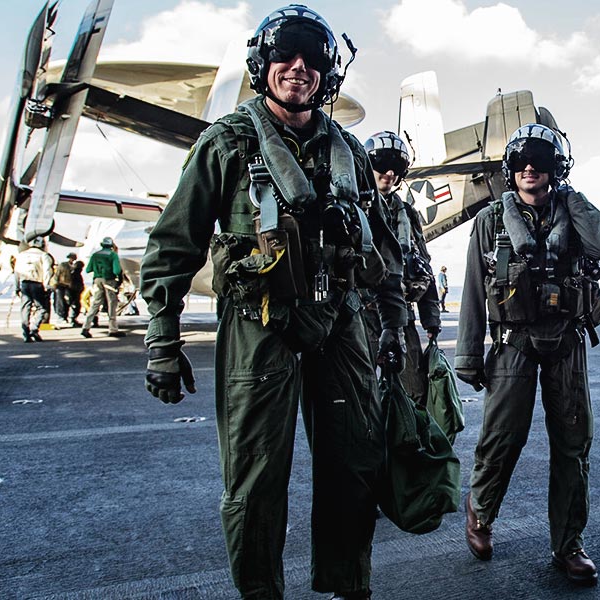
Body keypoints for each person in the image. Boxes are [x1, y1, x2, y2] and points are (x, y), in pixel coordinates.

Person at [138, 6, 407, 598]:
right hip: (261, 326)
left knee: (356, 462)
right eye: (286, 54)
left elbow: (383, 251)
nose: (298, 67)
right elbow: (172, 247)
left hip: (340, 323)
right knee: (256, 477)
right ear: (263, 65)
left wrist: (394, 326)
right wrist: (163, 339)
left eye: (313, 56)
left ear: (329, 73)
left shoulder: (351, 154)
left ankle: (349, 582)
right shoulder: (228, 144)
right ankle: (261, 593)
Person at [455, 123, 600, 584]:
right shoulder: (490, 221)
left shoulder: (574, 212)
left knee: (573, 444)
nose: (530, 167)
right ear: (511, 167)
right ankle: (481, 512)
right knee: (503, 437)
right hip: (513, 343)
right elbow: (471, 290)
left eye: (542, 160)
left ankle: (568, 545)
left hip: (566, 340)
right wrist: (468, 354)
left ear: (555, 168)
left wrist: (570, 193)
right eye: (523, 159)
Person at [363, 130, 441, 406]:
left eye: (395, 168)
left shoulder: (407, 214)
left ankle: (407, 449)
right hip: (362, 317)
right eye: (381, 164)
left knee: (413, 395)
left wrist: (431, 320)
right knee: (362, 395)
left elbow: (423, 263)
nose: (388, 174)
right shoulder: (353, 209)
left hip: (402, 315)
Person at [14, 238, 54, 342]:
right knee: (41, 308)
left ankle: (25, 332)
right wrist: (46, 285)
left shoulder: (21, 255)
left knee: (25, 308)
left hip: (24, 284)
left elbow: (16, 272)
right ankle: (34, 328)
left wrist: (16, 287)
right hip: (37, 284)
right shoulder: (43, 255)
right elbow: (47, 271)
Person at [82, 238, 124, 338]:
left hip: (97, 280)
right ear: (111, 245)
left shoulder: (95, 255)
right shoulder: (113, 255)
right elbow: (117, 270)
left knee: (95, 304)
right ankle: (113, 329)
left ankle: (86, 327)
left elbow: (88, 269)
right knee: (111, 303)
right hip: (109, 280)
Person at [53, 252, 85, 326]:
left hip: (72, 288)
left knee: (73, 304)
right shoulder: (64, 265)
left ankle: (71, 318)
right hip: (63, 286)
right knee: (63, 303)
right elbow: (57, 275)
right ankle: (63, 318)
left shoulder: (77, 267)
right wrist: (55, 284)